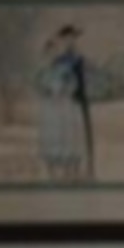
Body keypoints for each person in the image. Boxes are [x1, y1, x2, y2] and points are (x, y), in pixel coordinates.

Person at [34, 25, 93, 180]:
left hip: (77, 99)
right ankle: (61, 171)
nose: (70, 41)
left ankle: (83, 170)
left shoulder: (79, 58)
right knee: (62, 135)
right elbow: (51, 81)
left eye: (73, 38)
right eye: (67, 38)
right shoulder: (59, 62)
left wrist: (77, 90)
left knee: (77, 135)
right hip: (62, 103)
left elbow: (81, 78)